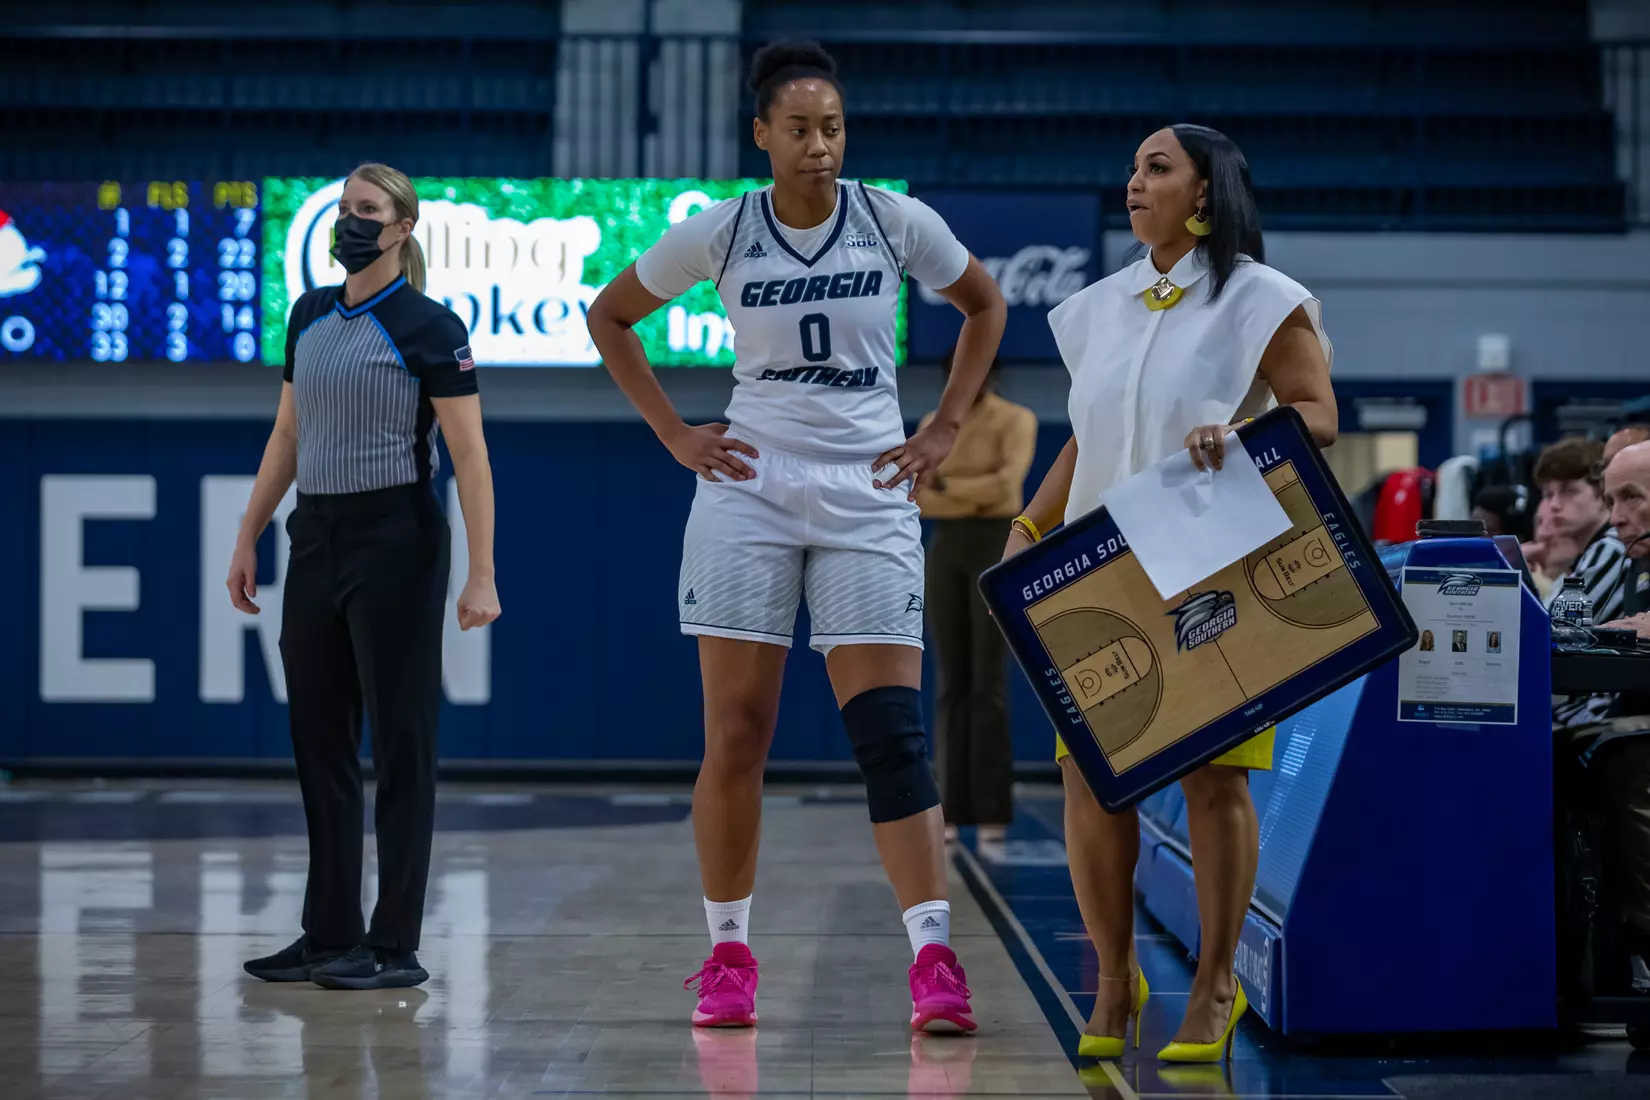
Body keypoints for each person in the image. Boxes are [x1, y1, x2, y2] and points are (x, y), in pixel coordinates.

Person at [586, 40, 1007, 1033]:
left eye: (834, 127)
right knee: (737, 732)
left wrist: (944, 424)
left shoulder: (891, 217)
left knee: (892, 737)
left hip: (868, 492)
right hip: (751, 489)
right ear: (763, 136)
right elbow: (610, 316)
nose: (821, 145)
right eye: (802, 129)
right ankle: (729, 952)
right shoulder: (724, 230)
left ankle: (934, 959)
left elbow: (984, 304)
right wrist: (675, 432)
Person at [1005, 124, 1336, 1064]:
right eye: (1131, 168)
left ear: (1204, 191)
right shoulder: (1099, 308)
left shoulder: (1262, 299)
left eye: (1157, 168)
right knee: (1091, 779)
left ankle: (1217, 983)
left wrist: (1236, 437)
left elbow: (1319, 414)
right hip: (1104, 570)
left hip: (1215, 562)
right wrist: (1032, 523)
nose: (1133, 182)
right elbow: (1083, 436)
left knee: (1212, 775)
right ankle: (1115, 978)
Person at [229, 163, 501, 991]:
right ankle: (329, 932)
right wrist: (249, 535)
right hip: (315, 534)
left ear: (401, 230)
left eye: (367, 210)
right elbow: (286, 437)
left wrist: (481, 571)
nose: (350, 220)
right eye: (345, 208)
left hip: (398, 538)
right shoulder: (309, 314)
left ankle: (394, 944)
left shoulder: (430, 325)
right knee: (319, 741)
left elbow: (469, 456)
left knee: (403, 745)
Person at [915, 346, 1037, 847]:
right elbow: (919, 496)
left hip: (996, 542)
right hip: (947, 548)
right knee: (951, 682)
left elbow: (1008, 492)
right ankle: (949, 807)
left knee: (986, 681)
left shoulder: (1017, 419)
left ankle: (992, 809)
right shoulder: (932, 423)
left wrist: (947, 482)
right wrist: (963, 487)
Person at [1533, 439, 1627, 727]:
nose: (1556, 506)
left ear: (1603, 495)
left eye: (1570, 492)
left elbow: (1550, 635)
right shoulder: (1590, 551)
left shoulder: (1611, 548)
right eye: (1548, 495)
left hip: (1589, 721)